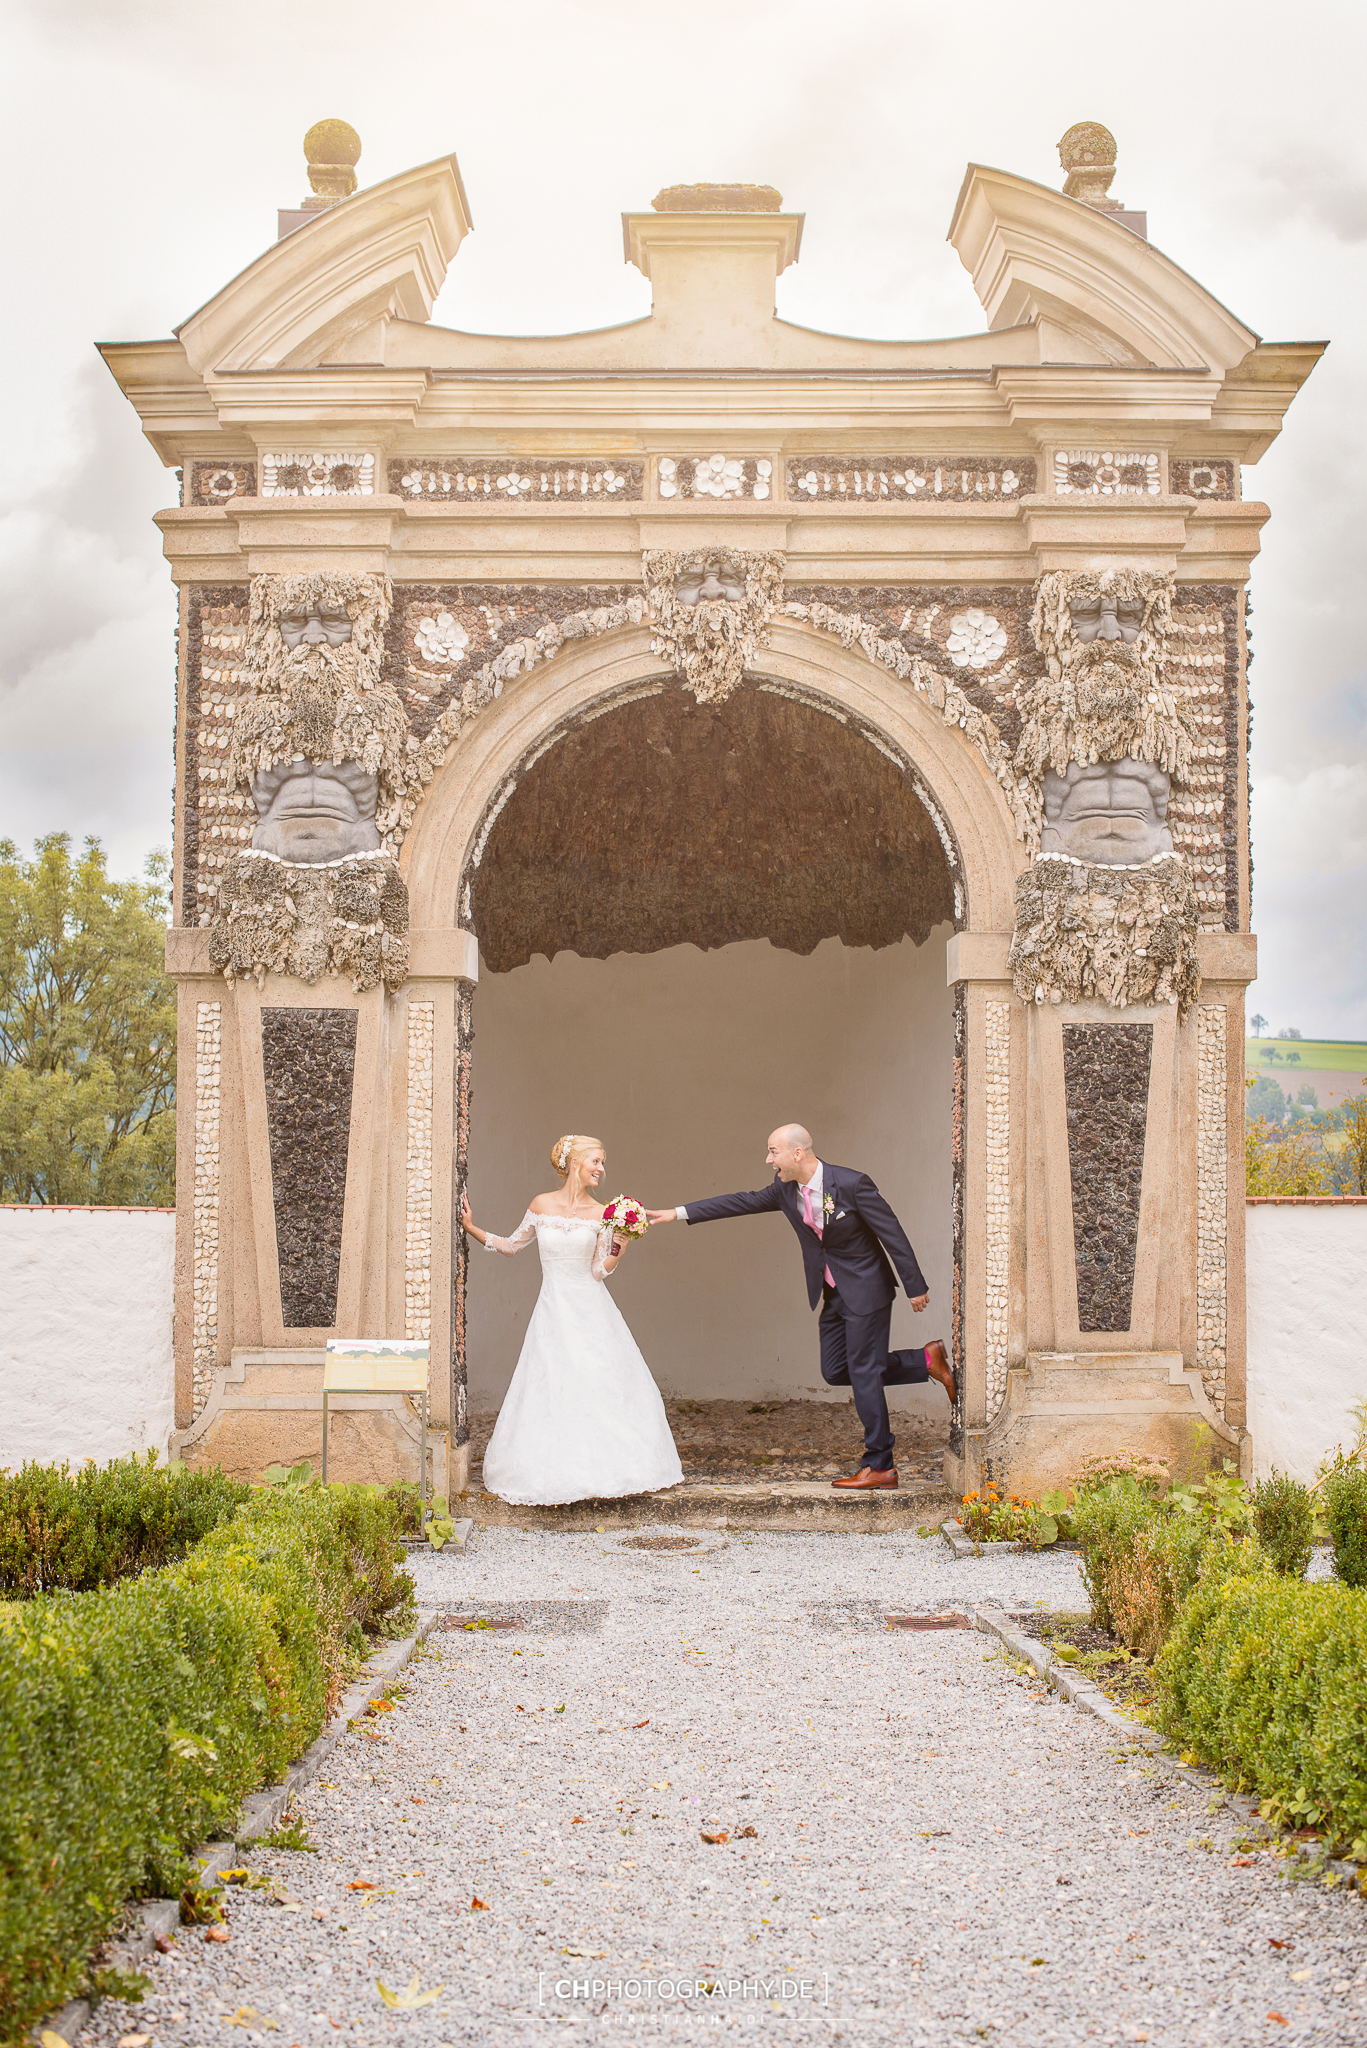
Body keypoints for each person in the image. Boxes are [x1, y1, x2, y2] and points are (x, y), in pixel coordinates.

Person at [647, 1124, 954, 1490]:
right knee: (836, 1370)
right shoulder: (784, 1190)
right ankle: (924, 1361)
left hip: (868, 1289)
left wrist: (914, 1285)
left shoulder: (853, 1184)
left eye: (772, 1151)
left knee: (864, 1372)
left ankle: (880, 1465)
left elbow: (892, 1233)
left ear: (797, 1153)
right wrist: (677, 1213)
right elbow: (740, 1201)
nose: (767, 1159)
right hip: (832, 1292)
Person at [463, 1134, 683, 1505]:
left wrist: (619, 1247)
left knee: (599, 1383)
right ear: (575, 1162)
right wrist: (472, 1227)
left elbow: (599, 1271)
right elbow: (512, 1246)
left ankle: (608, 1470)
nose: (602, 1169)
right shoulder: (541, 1204)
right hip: (553, 1308)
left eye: (602, 1162)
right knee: (551, 1383)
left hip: (591, 1308)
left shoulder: (603, 1214)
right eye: (596, 1161)